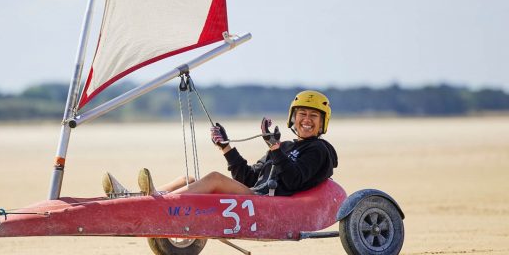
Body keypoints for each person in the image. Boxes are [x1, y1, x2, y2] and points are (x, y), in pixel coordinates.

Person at [102, 90, 338, 197]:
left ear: (321, 123)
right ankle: (137, 198)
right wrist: (226, 148)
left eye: (313, 116)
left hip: (268, 201)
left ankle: (155, 201)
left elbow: (294, 180)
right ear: (293, 118)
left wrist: (274, 148)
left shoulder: (319, 150)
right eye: (302, 114)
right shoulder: (285, 146)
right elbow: (246, 178)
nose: (306, 120)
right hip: (256, 191)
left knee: (214, 178)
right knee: (188, 180)